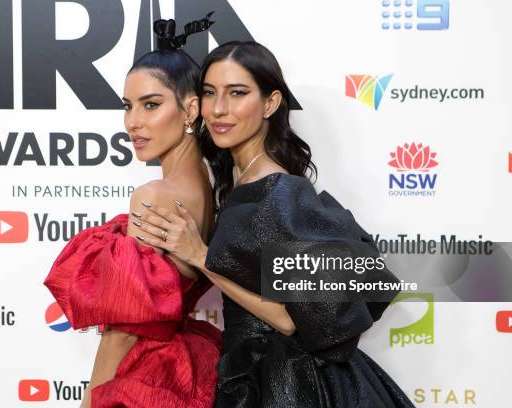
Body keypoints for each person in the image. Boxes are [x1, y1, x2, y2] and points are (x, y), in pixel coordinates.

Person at [133, 41, 415, 407]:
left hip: (292, 385)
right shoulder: (242, 179)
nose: (219, 109)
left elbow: (289, 321)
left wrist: (200, 256)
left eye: (237, 94)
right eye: (209, 93)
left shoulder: (277, 192)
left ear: (270, 103)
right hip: (257, 372)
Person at [44, 15, 221, 408]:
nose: (133, 122)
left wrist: (90, 401)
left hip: (144, 376)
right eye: (128, 106)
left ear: (191, 109)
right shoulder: (208, 190)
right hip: (187, 369)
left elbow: (122, 331)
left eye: (151, 105)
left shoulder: (154, 196)